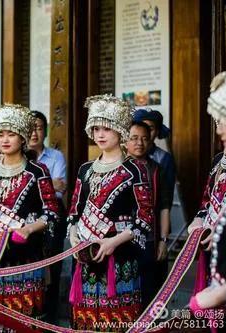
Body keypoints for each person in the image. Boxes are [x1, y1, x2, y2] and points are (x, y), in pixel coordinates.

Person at [67, 95, 154, 331]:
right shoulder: (85, 169)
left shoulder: (134, 169)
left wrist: (114, 241)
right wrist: (74, 237)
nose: (100, 134)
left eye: (106, 128)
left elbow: (145, 218)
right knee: (85, 319)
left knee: (116, 320)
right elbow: (74, 211)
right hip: (86, 257)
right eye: (96, 128)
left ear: (119, 130)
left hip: (121, 258)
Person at [0, 104, 59, 326]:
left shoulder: (37, 172)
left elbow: (51, 212)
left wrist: (29, 229)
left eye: (11, 134)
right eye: (0, 135)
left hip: (26, 255)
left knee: (24, 317)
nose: (5, 140)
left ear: (22, 138)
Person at [190, 68, 226, 329]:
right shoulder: (218, 162)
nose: (220, 131)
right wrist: (199, 222)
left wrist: (221, 292)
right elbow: (207, 202)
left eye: (224, 120)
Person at [125, 121, 170, 308]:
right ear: (124, 140)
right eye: (134, 138)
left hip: (149, 239)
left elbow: (164, 206)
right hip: (121, 240)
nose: (139, 143)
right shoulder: (118, 166)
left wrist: (163, 240)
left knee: (149, 291)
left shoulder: (156, 169)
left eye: (144, 138)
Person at [28, 110, 68, 323]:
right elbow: (51, 187)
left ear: (45, 131)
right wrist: (47, 184)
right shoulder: (17, 158)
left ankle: (50, 320)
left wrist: (31, 188)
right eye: (31, 127)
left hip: (52, 219)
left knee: (52, 268)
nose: (34, 133)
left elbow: (59, 191)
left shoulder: (56, 157)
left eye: (39, 127)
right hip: (26, 222)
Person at [133, 109, 176, 207]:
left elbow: (167, 197)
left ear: (157, 131)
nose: (145, 132)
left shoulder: (165, 158)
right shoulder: (123, 156)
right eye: (141, 127)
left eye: (150, 128)